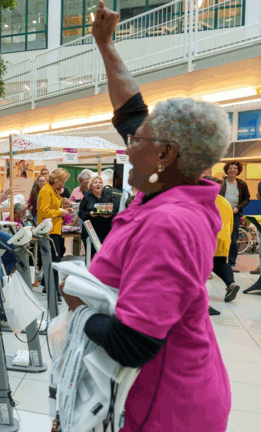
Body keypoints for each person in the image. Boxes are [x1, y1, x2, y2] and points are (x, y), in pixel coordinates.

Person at [59, 3, 231, 431]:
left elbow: (133, 344)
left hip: (166, 408)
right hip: (165, 393)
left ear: (166, 154)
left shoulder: (169, 222)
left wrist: (77, 305)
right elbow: (131, 109)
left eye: (138, 140)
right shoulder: (172, 185)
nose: (127, 144)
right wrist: (105, 45)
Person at [203, 175, 240, 309]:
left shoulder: (204, 200)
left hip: (208, 238)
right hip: (224, 239)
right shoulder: (225, 202)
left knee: (200, 266)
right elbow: (230, 224)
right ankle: (231, 284)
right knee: (220, 263)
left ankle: (199, 296)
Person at [37, 168, 72, 293]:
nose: (63, 184)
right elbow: (45, 211)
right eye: (62, 181)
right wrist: (61, 212)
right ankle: (54, 291)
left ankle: (47, 285)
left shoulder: (52, 190)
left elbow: (51, 208)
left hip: (54, 229)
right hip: (49, 230)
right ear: (56, 179)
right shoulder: (46, 190)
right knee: (55, 261)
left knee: (54, 259)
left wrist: (64, 210)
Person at [219, 161, 250, 272]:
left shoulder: (241, 184)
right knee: (219, 239)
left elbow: (247, 199)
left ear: (238, 170)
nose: (232, 170)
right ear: (226, 170)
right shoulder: (221, 182)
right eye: (230, 168)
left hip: (234, 215)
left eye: (235, 168)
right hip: (220, 214)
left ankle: (232, 264)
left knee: (233, 240)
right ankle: (219, 264)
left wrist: (238, 208)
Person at [77, 175, 114, 260]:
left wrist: (109, 215)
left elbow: (113, 211)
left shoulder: (108, 197)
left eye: (100, 182)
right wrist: (90, 214)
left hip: (105, 230)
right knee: (91, 256)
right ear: (91, 186)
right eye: (95, 182)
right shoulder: (86, 198)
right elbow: (81, 213)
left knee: (104, 256)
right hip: (90, 231)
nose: (98, 184)